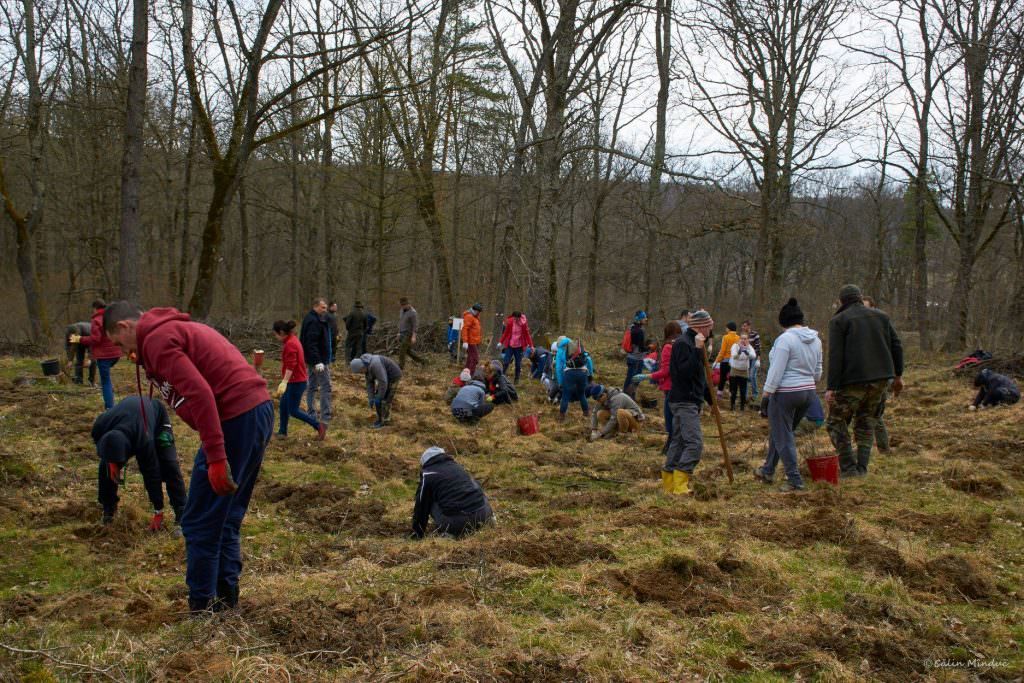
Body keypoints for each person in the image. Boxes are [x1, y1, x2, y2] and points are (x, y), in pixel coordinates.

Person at [104, 302, 274, 613]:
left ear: (125, 327)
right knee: (225, 516)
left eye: (118, 343)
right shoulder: (166, 335)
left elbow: (199, 393)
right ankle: (226, 602)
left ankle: (201, 609)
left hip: (236, 416)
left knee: (198, 521)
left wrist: (216, 456)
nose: (121, 352)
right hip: (255, 410)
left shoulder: (156, 340)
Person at [826, 284, 904, 478]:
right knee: (866, 423)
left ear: (842, 301)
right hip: (880, 381)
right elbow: (896, 346)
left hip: (852, 381)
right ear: (860, 298)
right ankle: (862, 467)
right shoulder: (881, 317)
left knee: (835, 422)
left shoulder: (839, 320)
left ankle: (848, 467)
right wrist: (898, 375)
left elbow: (836, 356)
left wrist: (831, 387)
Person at [753, 299, 823, 492]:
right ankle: (768, 469)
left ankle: (794, 479)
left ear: (783, 321)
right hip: (808, 392)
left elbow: (776, 370)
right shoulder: (816, 340)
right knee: (782, 431)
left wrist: (767, 394)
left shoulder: (785, 339)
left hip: (786, 393)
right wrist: (808, 382)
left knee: (783, 436)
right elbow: (818, 371)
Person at [92, 396, 187, 529]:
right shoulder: (100, 427)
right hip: (128, 419)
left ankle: (182, 512)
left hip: (157, 417)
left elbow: (151, 473)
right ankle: (108, 509)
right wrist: (113, 464)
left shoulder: (144, 440)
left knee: (169, 464)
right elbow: (106, 451)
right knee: (106, 467)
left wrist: (158, 510)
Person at [663, 310, 714, 495]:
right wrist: (698, 350)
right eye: (709, 327)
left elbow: (700, 377)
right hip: (684, 401)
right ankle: (680, 484)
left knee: (678, 441)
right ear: (701, 327)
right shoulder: (684, 344)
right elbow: (684, 373)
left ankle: (669, 484)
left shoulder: (693, 343)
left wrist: (710, 400)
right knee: (694, 443)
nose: (711, 331)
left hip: (687, 399)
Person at [411, 447, 494, 539]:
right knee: (475, 487)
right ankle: (489, 521)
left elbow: (421, 506)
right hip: (483, 515)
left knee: (427, 498)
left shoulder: (428, 474)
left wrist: (417, 533)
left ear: (425, 462)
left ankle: (451, 532)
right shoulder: (457, 467)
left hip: (458, 523)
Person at [272, 320, 326, 440]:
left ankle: (318, 426)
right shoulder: (292, 339)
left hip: (296, 382)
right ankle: (282, 432)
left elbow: (291, 366)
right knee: (283, 405)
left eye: (275, 334)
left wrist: (284, 382)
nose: (275, 337)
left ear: (281, 332)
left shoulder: (290, 344)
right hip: (295, 380)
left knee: (293, 410)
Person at [632, 322, 681, 454]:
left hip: (671, 388)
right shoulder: (684, 345)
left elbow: (666, 371)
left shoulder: (668, 347)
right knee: (678, 420)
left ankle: (671, 449)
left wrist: (646, 376)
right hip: (683, 387)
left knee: (670, 421)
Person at [70, 299, 122, 409]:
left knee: (105, 381)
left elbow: (95, 339)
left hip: (104, 356)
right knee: (106, 376)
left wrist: (80, 339)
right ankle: (111, 400)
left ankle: (110, 408)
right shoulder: (112, 317)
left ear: (95, 308)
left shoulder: (96, 320)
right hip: (116, 354)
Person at [300, 298, 332, 424]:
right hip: (317, 361)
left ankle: (311, 413)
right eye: (322, 307)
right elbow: (310, 343)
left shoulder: (315, 318)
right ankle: (325, 416)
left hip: (312, 359)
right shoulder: (313, 321)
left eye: (325, 307)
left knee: (312, 386)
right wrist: (318, 361)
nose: (325, 310)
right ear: (315, 306)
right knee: (326, 387)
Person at [351, 353, 402, 428]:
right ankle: (380, 419)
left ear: (362, 367)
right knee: (378, 397)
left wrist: (379, 397)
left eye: (360, 371)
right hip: (384, 377)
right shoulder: (366, 367)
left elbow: (383, 382)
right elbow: (369, 384)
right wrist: (371, 398)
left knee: (385, 399)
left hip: (393, 376)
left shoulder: (375, 364)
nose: (361, 373)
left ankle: (385, 421)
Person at [555, 336, 594, 421]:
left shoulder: (560, 350)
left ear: (559, 343)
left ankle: (561, 417)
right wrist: (590, 374)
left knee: (565, 396)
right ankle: (586, 413)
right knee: (581, 394)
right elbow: (589, 360)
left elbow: (558, 368)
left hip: (569, 373)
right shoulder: (576, 346)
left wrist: (560, 382)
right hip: (583, 372)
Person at [498, 311, 534, 383]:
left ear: (519, 318)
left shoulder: (523, 324)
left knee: (518, 364)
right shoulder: (510, 322)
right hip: (510, 345)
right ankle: (501, 377)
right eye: (514, 318)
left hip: (519, 347)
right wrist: (500, 342)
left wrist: (531, 345)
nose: (515, 320)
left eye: (516, 318)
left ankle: (516, 379)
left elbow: (527, 335)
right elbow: (506, 333)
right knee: (506, 362)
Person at [728, 333, 757, 411]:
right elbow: (734, 356)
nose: (743, 340)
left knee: (743, 390)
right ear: (739, 339)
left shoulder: (749, 347)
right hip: (734, 369)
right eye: (742, 338)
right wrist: (740, 351)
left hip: (744, 371)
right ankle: (732, 406)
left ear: (747, 340)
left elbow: (753, 356)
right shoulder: (735, 346)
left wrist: (747, 352)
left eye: (745, 339)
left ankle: (742, 407)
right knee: (733, 389)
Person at [623, 311, 648, 399]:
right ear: (640, 319)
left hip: (630, 357)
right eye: (644, 317)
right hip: (637, 359)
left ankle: (628, 395)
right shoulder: (639, 331)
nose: (646, 319)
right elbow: (641, 348)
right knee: (636, 379)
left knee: (629, 378)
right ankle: (628, 396)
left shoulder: (631, 327)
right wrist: (650, 348)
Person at [65, 320, 96, 385]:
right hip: (80, 342)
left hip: (90, 340)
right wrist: (70, 360)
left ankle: (91, 381)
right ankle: (79, 380)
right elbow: (68, 346)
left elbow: (93, 346)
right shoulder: (68, 332)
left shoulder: (89, 331)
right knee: (79, 360)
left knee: (92, 361)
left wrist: (89, 358)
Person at [398, 297, 426, 369]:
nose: (403, 306)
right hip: (402, 333)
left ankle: (400, 367)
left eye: (404, 305)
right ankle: (423, 361)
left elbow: (415, 325)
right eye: (402, 305)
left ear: (408, 304)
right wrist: (399, 332)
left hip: (408, 334)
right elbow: (401, 322)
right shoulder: (401, 311)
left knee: (402, 350)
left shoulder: (413, 313)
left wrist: (414, 336)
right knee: (408, 351)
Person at [713, 321, 739, 398]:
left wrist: (717, 360)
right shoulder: (738, 338)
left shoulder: (725, 337)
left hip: (725, 361)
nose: (725, 329)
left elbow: (722, 350)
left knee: (722, 379)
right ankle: (732, 396)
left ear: (729, 328)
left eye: (726, 327)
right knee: (732, 379)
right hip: (734, 361)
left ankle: (719, 396)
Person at [741, 320, 762, 397]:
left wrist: (759, 359)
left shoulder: (755, 334)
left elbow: (758, 346)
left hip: (754, 357)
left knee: (752, 375)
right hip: (746, 357)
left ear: (749, 326)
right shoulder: (743, 335)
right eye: (743, 326)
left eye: (745, 326)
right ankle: (745, 395)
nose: (743, 327)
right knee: (746, 376)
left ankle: (755, 394)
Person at [461, 303, 483, 372]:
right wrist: (465, 341)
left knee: (470, 358)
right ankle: (471, 374)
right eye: (478, 312)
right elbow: (465, 329)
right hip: (471, 341)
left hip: (475, 341)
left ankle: (465, 372)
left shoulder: (475, 317)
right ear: (475, 310)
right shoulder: (469, 316)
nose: (479, 313)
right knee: (475, 359)